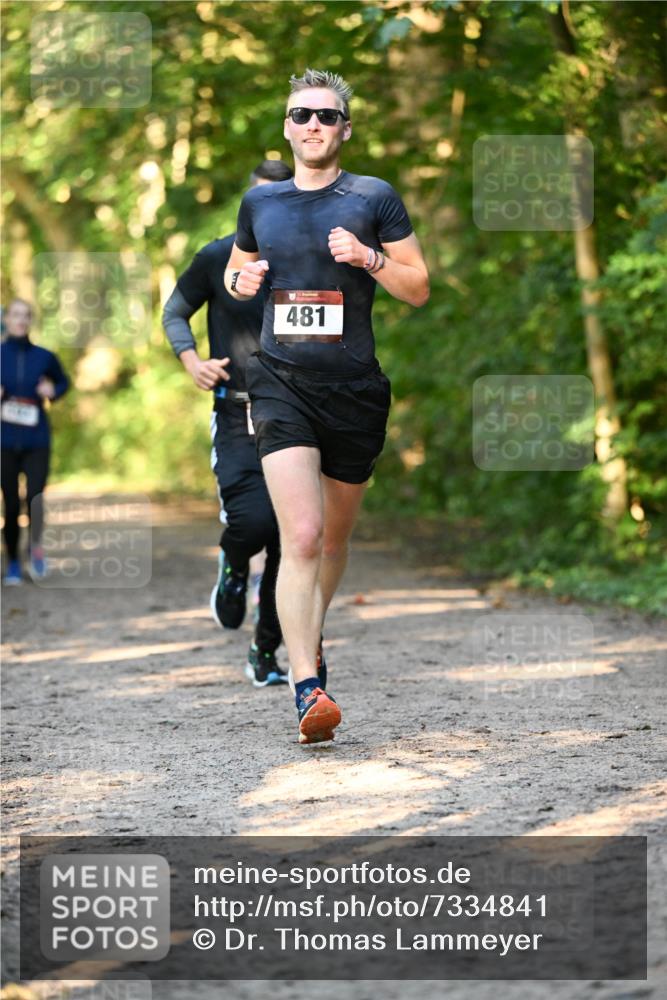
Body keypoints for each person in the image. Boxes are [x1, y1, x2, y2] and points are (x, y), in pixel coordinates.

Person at [224, 69, 429, 743]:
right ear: (286, 126)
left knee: (335, 541)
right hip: (280, 383)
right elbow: (236, 269)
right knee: (301, 536)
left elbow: (418, 289)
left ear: (344, 128)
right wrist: (241, 276)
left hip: (354, 392)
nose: (312, 125)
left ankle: (308, 634)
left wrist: (369, 258)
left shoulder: (373, 197)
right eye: (301, 114)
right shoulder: (262, 205)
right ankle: (306, 683)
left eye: (326, 116)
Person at [162, 159, 294, 687]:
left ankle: (265, 654)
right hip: (237, 411)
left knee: (293, 541)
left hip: (296, 414)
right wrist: (191, 360)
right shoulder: (218, 255)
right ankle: (234, 564)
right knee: (255, 524)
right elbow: (175, 310)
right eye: (258, 201)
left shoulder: (304, 260)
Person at [1, 298, 69, 585]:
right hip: (4, 440)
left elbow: (64, 382)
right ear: (7, 319)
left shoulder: (44, 356)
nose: (21, 320)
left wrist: (52, 389)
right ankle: (14, 562)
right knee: (11, 504)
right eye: (16, 315)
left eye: (26, 315)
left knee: (36, 499)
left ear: (31, 321)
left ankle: (36, 552)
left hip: (37, 438)